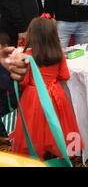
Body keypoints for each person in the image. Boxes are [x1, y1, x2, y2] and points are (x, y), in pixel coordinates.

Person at [10, 16, 83, 160]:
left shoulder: (27, 56)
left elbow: (23, 82)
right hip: (55, 94)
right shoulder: (59, 54)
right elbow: (65, 76)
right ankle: (56, 150)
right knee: (57, 124)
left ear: (32, 35)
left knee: (35, 128)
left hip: (34, 96)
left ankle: (38, 154)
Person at [0, 33, 17, 141]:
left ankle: (6, 134)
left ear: (5, 46)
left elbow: (5, 83)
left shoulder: (7, 61)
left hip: (7, 96)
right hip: (5, 96)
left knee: (7, 116)